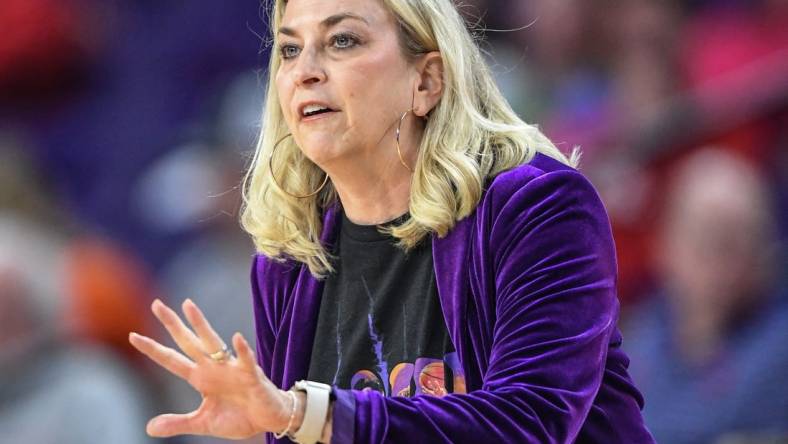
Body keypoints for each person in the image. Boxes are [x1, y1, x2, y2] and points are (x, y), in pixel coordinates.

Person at [128, 0, 655, 442]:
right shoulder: (289, 262)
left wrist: (306, 415)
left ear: (425, 81)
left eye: (343, 41)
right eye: (290, 48)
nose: (305, 69)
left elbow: (530, 421)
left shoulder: (536, 207)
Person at [624, 148, 788, 443]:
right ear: (667, 245)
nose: (717, 265)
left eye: (731, 242)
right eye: (703, 239)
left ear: (766, 251)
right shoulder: (639, 339)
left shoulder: (779, 352)